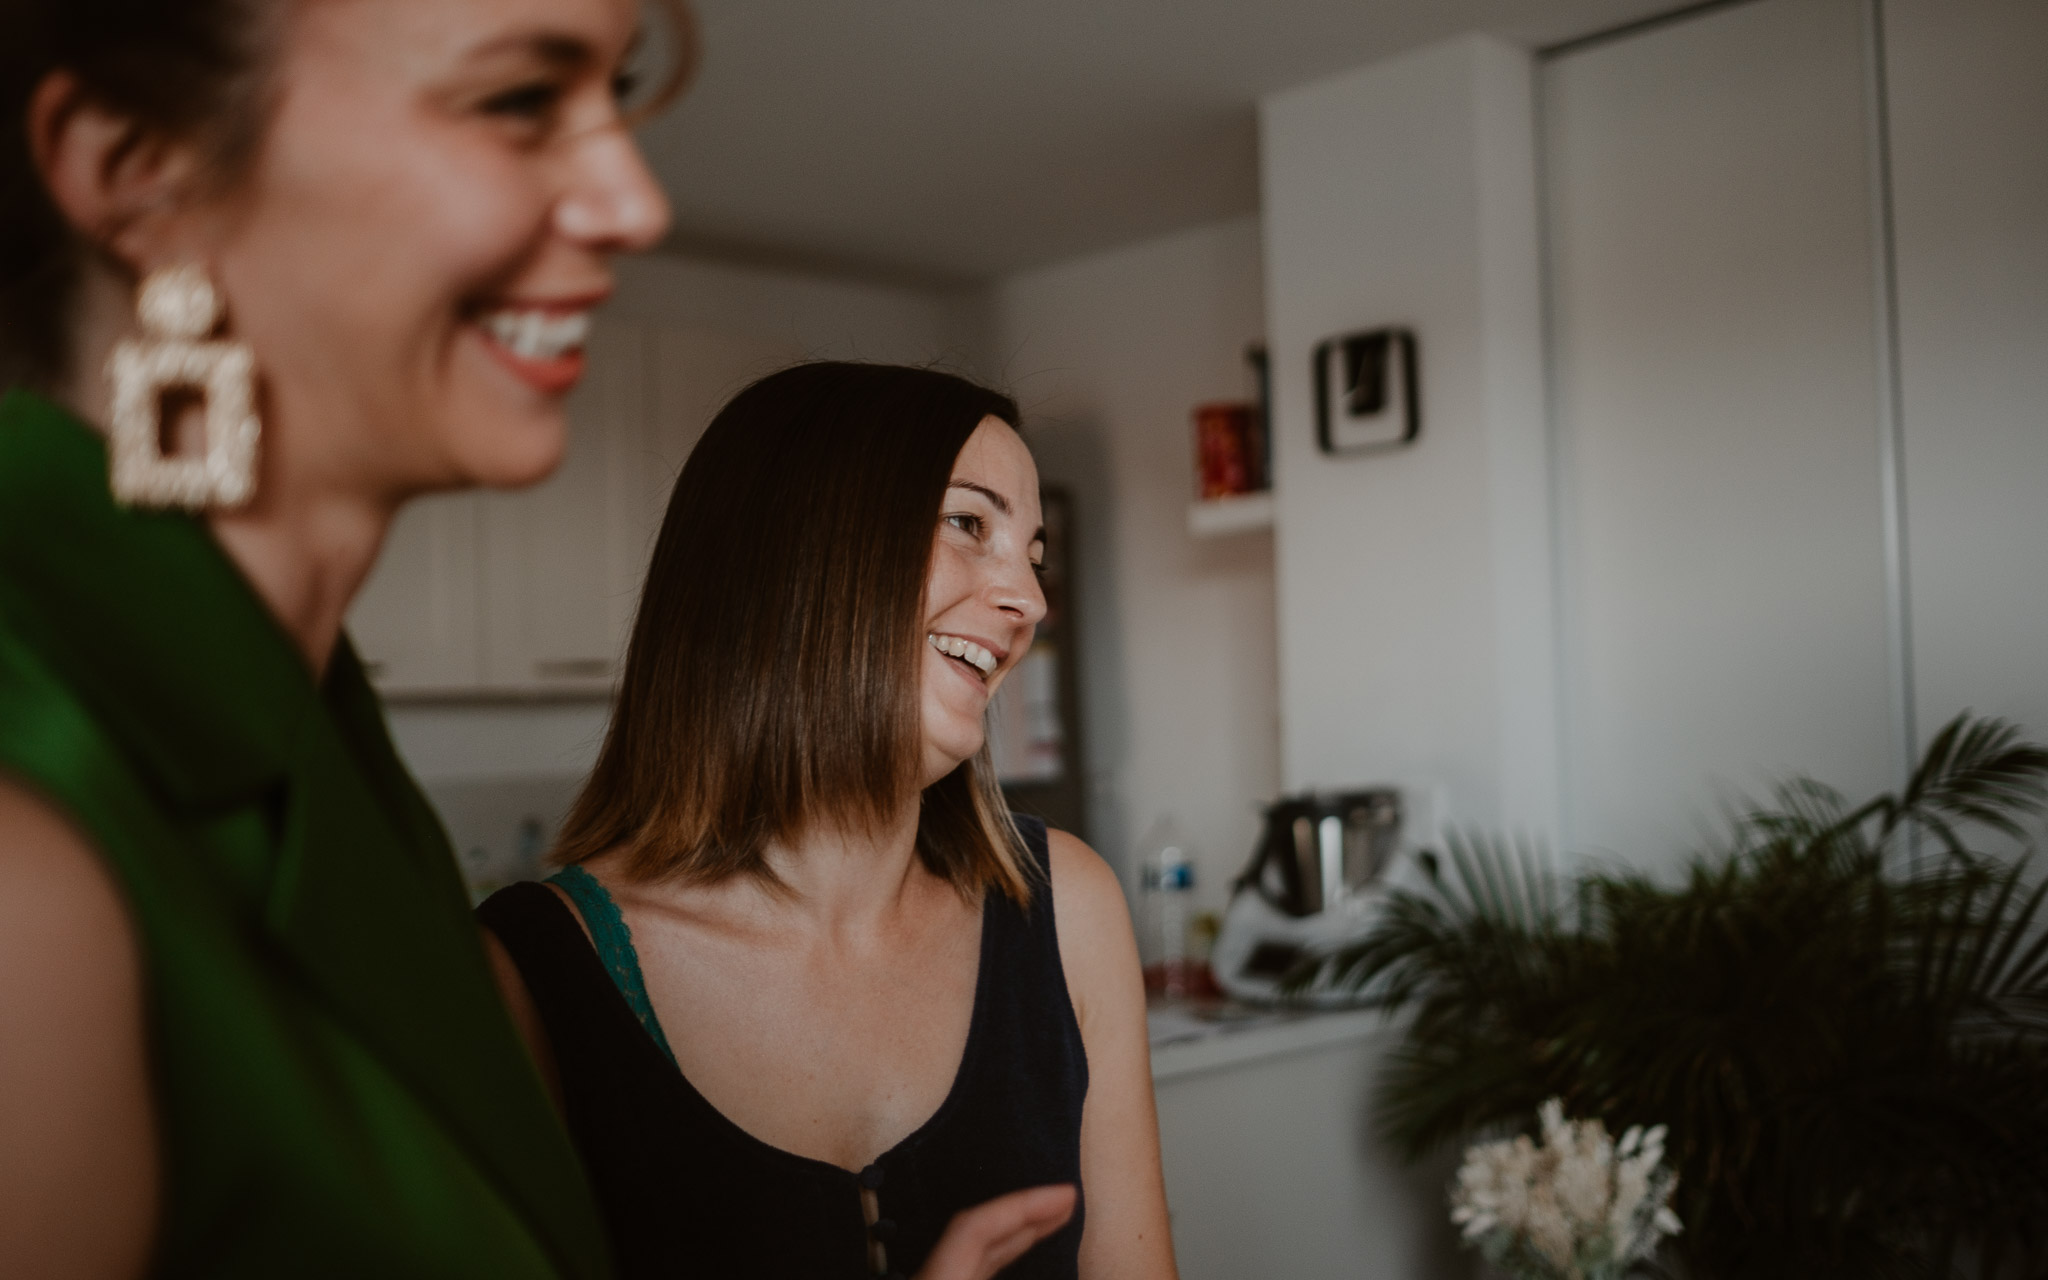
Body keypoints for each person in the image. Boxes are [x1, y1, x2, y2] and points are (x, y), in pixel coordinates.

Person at [0, 3, 1071, 1277]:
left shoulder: (311, 739)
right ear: (143, 175)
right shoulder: (41, 823)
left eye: (613, 97)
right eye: (515, 99)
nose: (630, 200)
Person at [477, 361, 1181, 1280]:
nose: (1030, 604)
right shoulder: (527, 976)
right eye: (969, 525)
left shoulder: (1067, 910)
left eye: (1034, 557)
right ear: (800, 554)